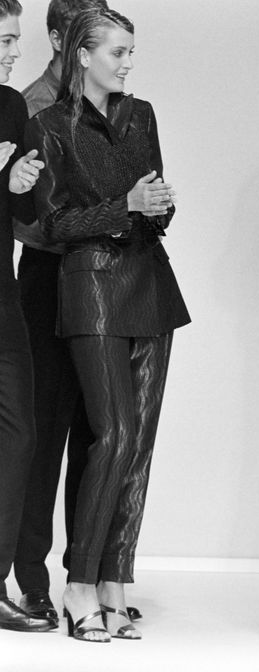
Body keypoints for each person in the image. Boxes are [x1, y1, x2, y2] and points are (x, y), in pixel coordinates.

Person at [26, 7, 189, 642]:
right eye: (117, 52)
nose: (127, 63)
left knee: (139, 444)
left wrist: (158, 206)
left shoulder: (141, 114)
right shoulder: (49, 124)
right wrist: (125, 206)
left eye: (130, 51)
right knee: (113, 434)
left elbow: (154, 200)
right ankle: (78, 583)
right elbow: (52, 224)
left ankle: (115, 580)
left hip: (150, 283)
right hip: (91, 285)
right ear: (82, 55)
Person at [13, 0, 115, 629]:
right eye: (85, 32)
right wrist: (96, 217)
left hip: (107, 277)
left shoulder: (113, 105)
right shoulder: (29, 107)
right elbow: (23, 217)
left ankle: (87, 575)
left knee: (98, 431)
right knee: (43, 433)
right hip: (49, 278)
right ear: (58, 38)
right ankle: (31, 580)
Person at [0, 0, 53, 634]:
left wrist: (20, 184)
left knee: (18, 435)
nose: (15, 51)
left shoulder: (12, 105)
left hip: (2, 294)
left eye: (15, 39)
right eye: (5, 40)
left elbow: (23, 215)